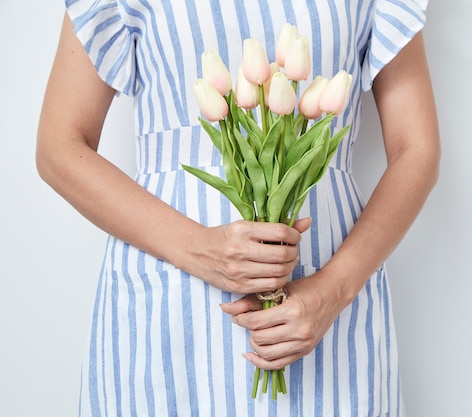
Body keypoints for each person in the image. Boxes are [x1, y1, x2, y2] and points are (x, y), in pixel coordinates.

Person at [37, 1, 439, 416]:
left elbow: (416, 149)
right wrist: (197, 248)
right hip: (169, 309)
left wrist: (333, 290)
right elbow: (59, 147)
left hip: (327, 307)